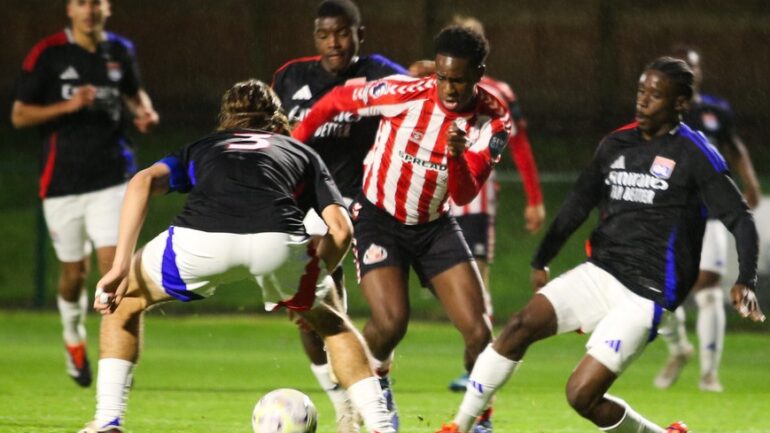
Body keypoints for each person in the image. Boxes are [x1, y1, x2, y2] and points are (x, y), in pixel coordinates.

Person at [435, 57, 765, 433]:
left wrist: (747, 279)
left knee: (581, 396)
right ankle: (460, 425)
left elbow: (740, 217)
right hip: (601, 272)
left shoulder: (694, 153)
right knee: (520, 326)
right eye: (641, 91)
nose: (643, 101)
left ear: (680, 104)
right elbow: (578, 203)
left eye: (656, 95)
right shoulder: (616, 143)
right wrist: (543, 257)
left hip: (648, 292)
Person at [76, 79, 395, 433]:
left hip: (200, 239)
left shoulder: (205, 146)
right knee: (333, 324)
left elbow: (142, 181)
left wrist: (120, 266)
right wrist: (313, 280)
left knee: (124, 302)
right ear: (277, 121)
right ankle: (381, 426)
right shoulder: (300, 152)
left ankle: (108, 420)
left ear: (226, 120)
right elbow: (341, 229)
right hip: (277, 242)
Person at [294, 25, 511, 432]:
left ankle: (480, 422)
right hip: (379, 218)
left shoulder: (493, 121)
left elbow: (464, 195)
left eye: (459, 80)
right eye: (443, 77)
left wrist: (456, 157)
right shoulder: (404, 92)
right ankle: (375, 388)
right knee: (392, 323)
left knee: (480, 332)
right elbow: (337, 101)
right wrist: (295, 143)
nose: (448, 88)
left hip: (435, 225)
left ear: (479, 73)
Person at [271, 1, 406, 431]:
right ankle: (343, 403)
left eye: (343, 32)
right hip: (305, 206)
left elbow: (417, 93)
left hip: (365, 203)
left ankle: (373, 388)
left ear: (359, 34)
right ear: (315, 37)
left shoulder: (380, 73)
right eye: (325, 34)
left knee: (381, 313)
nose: (334, 42)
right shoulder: (291, 76)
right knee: (310, 310)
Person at [11, 0, 158, 388]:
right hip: (62, 183)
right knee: (74, 275)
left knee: (114, 272)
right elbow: (20, 114)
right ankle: (72, 336)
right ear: (69, 9)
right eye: (81, 3)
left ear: (106, 8)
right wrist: (68, 105)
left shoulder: (120, 51)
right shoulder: (49, 54)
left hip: (112, 178)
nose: (89, 10)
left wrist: (144, 111)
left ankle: (115, 370)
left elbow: (134, 94)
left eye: (96, 2)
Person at [408, 14, 546, 397]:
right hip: (434, 200)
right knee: (450, 289)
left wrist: (534, 199)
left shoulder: (500, 96)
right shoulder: (430, 85)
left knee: (478, 284)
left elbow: (519, 144)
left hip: (476, 202)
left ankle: (477, 370)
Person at [653, 46, 763, 392]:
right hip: (669, 211)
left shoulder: (716, 110)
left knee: (710, 292)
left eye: (694, 66)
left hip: (709, 214)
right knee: (658, 292)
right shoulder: (660, 109)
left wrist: (751, 181)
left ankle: (709, 373)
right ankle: (679, 348)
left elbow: (734, 146)